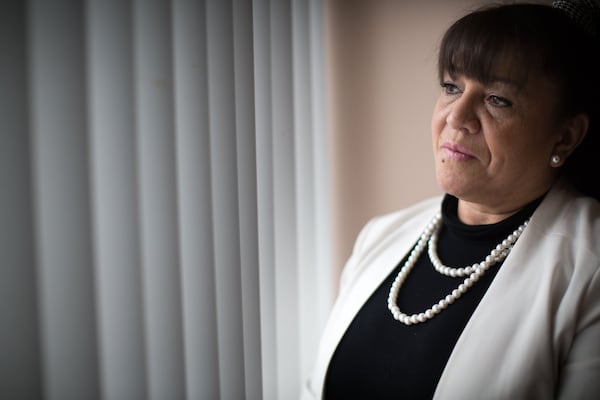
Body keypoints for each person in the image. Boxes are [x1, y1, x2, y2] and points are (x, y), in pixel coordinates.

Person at [301, 1, 600, 399]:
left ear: (565, 136)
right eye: (451, 87)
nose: (456, 116)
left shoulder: (591, 267)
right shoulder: (380, 235)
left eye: (497, 99)